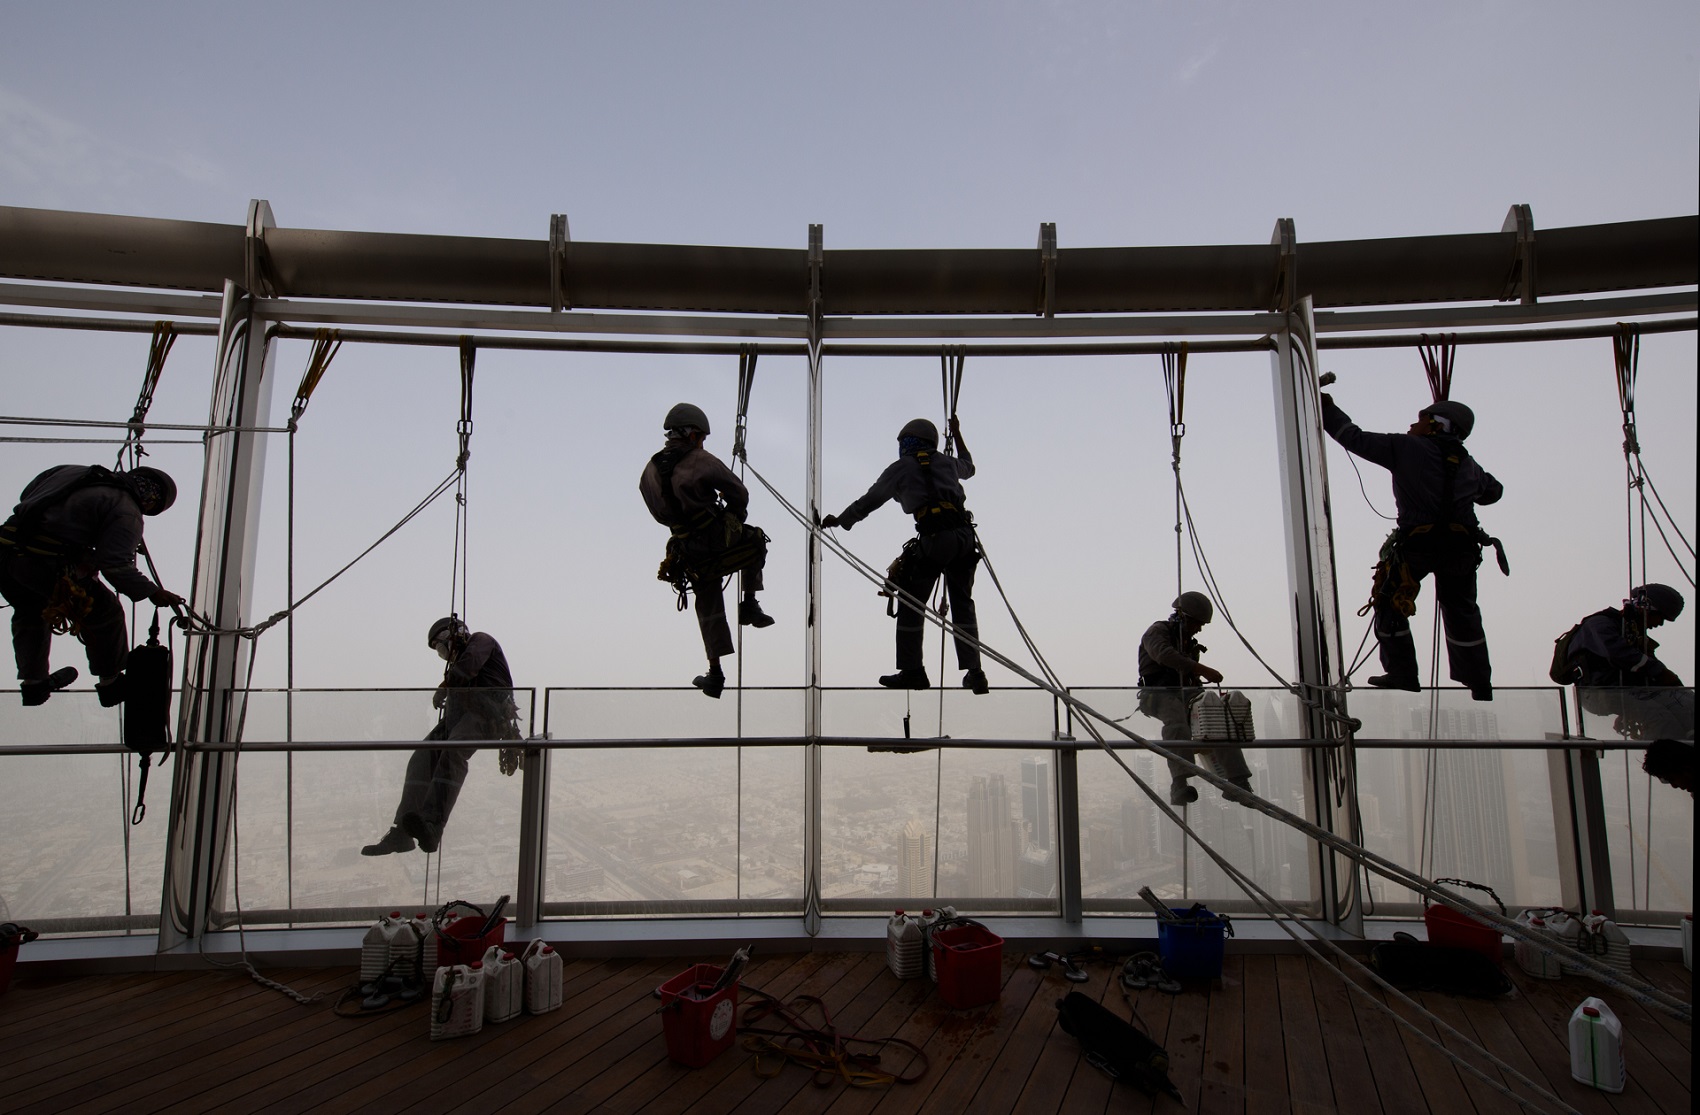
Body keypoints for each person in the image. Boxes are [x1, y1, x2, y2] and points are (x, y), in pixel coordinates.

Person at [1321, 394, 1503, 701]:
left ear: (1435, 425)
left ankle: (1403, 673)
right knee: (1462, 612)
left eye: (1419, 419)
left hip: (1419, 545)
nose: (1411, 424)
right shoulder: (1469, 464)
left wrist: (1326, 407)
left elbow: (1352, 437)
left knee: (1389, 601)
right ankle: (1478, 681)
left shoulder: (1405, 448)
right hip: (1460, 547)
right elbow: (1493, 492)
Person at [820, 416, 987, 693]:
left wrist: (841, 520)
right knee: (962, 603)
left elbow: (870, 501)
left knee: (910, 600)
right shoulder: (947, 463)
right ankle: (975, 672)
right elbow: (969, 466)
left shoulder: (901, 468)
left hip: (935, 538)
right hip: (964, 538)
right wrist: (957, 434)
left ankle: (912, 671)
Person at [0, 464, 183, 707]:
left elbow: (30, 497)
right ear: (151, 499)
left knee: (31, 610)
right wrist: (152, 592)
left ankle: (34, 685)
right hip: (42, 563)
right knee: (105, 612)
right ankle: (112, 683)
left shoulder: (73, 472)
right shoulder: (127, 510)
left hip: (5, 557)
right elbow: (115, 565)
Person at [639, 403, 773, 699]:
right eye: (701, 438)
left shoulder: (649, 470)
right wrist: (734, 515)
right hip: (714, 538)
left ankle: (715, 673)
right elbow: (739, 493)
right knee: (755, 541)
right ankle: (749, 603)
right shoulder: (700, 459)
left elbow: (656, 511)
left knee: (707, 599)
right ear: (693, 435)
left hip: (686, 549)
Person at [362, 617, 519, 856]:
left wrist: (445, 686)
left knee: (453, 754)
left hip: (486, 715)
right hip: (463, 715)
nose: (442, 653)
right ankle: (401, 833)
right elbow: (461, 673)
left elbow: (468, 667)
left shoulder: (482, 640)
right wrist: (447, 688)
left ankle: (433, 826)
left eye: (440, 646)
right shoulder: (458, 663)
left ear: (453, 635)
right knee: (420, 759)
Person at [1137, 592, 1254, 805]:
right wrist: (1201, 668)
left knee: (1217, 716)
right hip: (1159, 694)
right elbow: (1164, 655)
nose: (1198, 629)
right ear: (1183, 618)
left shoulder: (1187, 642)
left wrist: (1206, 699)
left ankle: (1238, 781)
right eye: (1197, 624)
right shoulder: (1157, 632)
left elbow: (1190, 678)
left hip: (1186, 693)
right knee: (1176, 722)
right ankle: (1179, 784)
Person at [1560, 583, 1693, 743]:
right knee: (1660, 718)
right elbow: (1619, 654)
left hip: (1624, 691)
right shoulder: (1600, 625)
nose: (1660, 624)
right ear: (1646, 608)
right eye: (1661, 617)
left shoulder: (1631, 634)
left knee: (1687, 703)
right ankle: (1668, 762)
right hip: (1598, 692)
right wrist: (1661, 672)